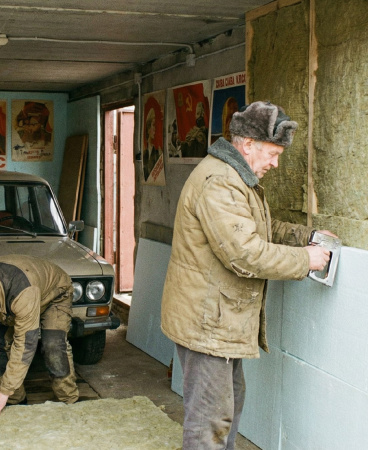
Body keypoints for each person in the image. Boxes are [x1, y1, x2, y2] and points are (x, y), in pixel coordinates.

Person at [161, 101, 336, 449]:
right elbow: (245, 253)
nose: (275, 163)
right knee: (210, 419)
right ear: (248, 145)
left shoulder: (237, 177)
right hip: (207, 321)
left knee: (228, 404)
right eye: (272, 153)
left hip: (217, 318)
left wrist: (306, 238)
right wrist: (305, 259)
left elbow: (259, 229)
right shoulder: (220, 183)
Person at [0, 254, 79, 419]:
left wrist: (3, 392)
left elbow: (25, 345)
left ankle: (69, 401)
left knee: (53, 345)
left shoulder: (23, 292)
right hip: (11, 301)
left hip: (53, 295)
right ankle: (16, 403)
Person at [142, 108, 162, 182]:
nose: (155, 129)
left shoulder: (157, 151)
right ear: (148, 128)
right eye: (153, 125)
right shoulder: (144, 153)